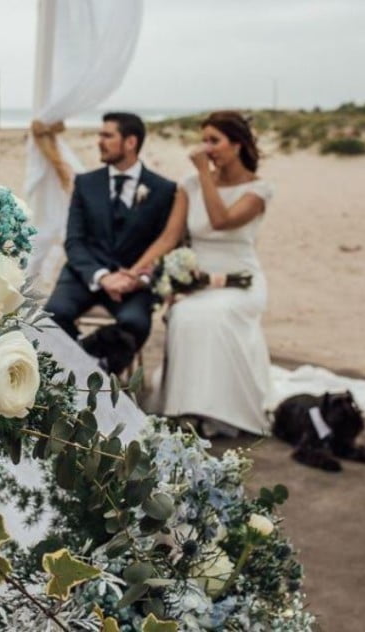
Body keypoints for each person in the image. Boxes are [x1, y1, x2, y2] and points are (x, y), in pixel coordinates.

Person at [131, 111, 275, 436]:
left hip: (242, 282)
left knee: (214, 316)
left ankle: (221, 412)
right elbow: (169, 237)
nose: (207, 148)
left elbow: (220, 220)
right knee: (184, 314)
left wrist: (204, 175)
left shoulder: (258, 190)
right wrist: (136, 269)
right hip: (196, 283)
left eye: (215, 140)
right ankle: (185, 409)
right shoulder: (190, 185)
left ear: (237, 145)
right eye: (204, 140)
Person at [43, 112, 177, 351]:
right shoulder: (85, 184)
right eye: (99, 135)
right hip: (84, 276)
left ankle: (92, 366)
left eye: (107, 135)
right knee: (53, 316)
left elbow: (165, 245)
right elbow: (74, 242)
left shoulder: (163, 190)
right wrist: (102, 277)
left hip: (133, 284)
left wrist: (138, 278)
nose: (99, 141)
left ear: (130, 142)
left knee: (134, 325)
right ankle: (89, 364)